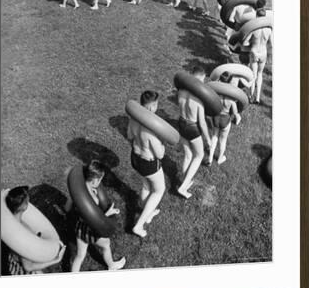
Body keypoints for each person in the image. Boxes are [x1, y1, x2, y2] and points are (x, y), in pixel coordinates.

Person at [70, 160, 126, 272]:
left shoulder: (77, 192)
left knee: (80, 256)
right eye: (100, 180)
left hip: (80, 229)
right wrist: (109, 213)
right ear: (95, 179)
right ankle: (111, 265)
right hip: (91, 230)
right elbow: (95, 219)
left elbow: (68, 207)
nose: (100, 183)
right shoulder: (94, 199)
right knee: (106, 245)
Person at [127, 91, 166, 238]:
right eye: (155, 105)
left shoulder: (133, 120)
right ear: (151, 107)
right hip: (148, 163)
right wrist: (162, 144)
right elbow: (160, 154)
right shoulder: (151, 130)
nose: (155, 107)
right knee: (159, 190)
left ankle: (147, 212)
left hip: (135, 158)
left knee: (145, 186)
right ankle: (139, 225)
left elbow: (130, 136)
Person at [3, 187, 65, 274]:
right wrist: (55, 260)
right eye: (28, 201)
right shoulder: (22, 235)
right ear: (24, 206)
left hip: (12, 260)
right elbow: (28, 267)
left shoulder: (8, 221)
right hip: (19, 271)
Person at [175, 66, 212, 199]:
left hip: (181, 122)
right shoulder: (199, 99)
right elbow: (202, 122)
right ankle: (183, 187)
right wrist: (208, 139)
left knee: (188, 155)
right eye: (202, 81)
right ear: (200, 80)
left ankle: (186, 180)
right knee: (199, 155)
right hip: (192, 127)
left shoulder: (181, 92)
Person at [206, 72, 241, 166]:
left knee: (214, 137)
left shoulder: (216, 94)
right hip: (225, 120)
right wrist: (238, 118)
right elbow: (235, 113)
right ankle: (220, 159)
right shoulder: (231, 99)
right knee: (223, 140)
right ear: (230, 82)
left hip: (216, 118)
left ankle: (209, 159)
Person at [245, 8, 273, 104]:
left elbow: (245, 42)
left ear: (256, 16)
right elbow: (271, 44)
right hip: (263, 52)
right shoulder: (269, 29)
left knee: (253, 74)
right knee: (260, 74)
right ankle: (257, 97)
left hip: (254, 51)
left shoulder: (253, 28)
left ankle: (250, 95)